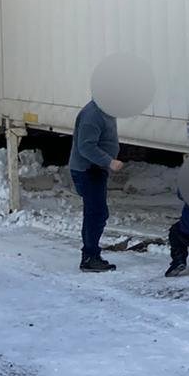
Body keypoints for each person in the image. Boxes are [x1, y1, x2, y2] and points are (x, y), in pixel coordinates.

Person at [70, 97, 125, 272]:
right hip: (88, 170)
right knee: (96, 213)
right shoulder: (93, 115)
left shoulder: (106, 110)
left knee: (96, 213)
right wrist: (109, 161)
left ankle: (90, 255)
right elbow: (85, 147)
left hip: (95, 170)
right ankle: (89, 257)